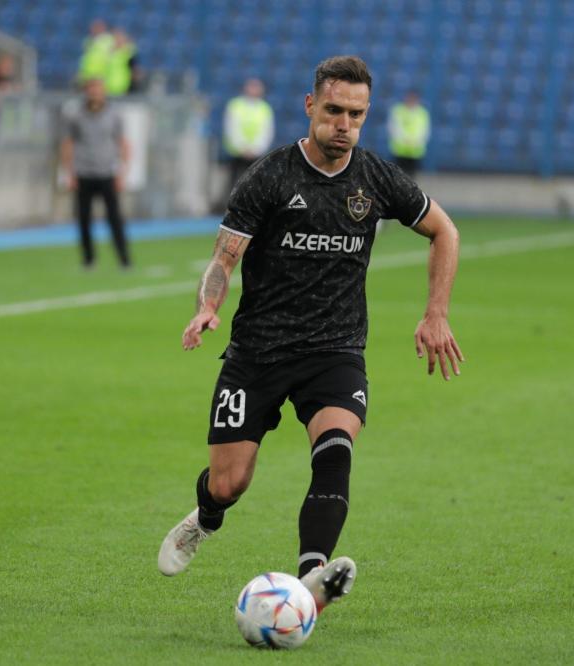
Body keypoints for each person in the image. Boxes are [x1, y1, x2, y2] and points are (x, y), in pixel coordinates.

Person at [158, 56, 463, 614]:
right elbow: (225, 257)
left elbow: (444, 231)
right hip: (259, 351)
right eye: (334, 110)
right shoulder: (270, 176)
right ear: (310, 106)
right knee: (229, 483)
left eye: (356, 114)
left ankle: (310, 582)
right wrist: (207, 308)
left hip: (334, 350)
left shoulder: (375, 178)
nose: (344, 124)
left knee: (336, 448)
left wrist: (435, 313)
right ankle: (205, 518)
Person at [60, 78, 132, 268]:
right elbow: (68, 144)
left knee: (114, 218)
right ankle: (89, 259)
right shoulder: (76, 116)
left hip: (107, 172)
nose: (94, 93)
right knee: (83, 219)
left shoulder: (114, 115)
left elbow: (122, 143)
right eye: (91, 89)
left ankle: (124, 258)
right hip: (84, 172)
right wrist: (69, 172)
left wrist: (123, 171)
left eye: (98, 89)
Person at [222, 78, 274, 192]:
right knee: (233, 184)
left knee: (254, 185)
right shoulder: (235, 105)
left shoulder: (265, 108)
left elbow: (266, 132)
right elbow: (232, 128)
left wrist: (255, 149)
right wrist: (242, 147)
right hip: (236, 153)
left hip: (256, 154)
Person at [387, 90, 430, 177]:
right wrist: (404, 139)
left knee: (411, 176)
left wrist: (415, 141)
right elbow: (393, 127)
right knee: (397, 175)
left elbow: (424, 130)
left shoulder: (422, 113)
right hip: (400, 150)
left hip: (415, 151)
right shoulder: (398, 110)